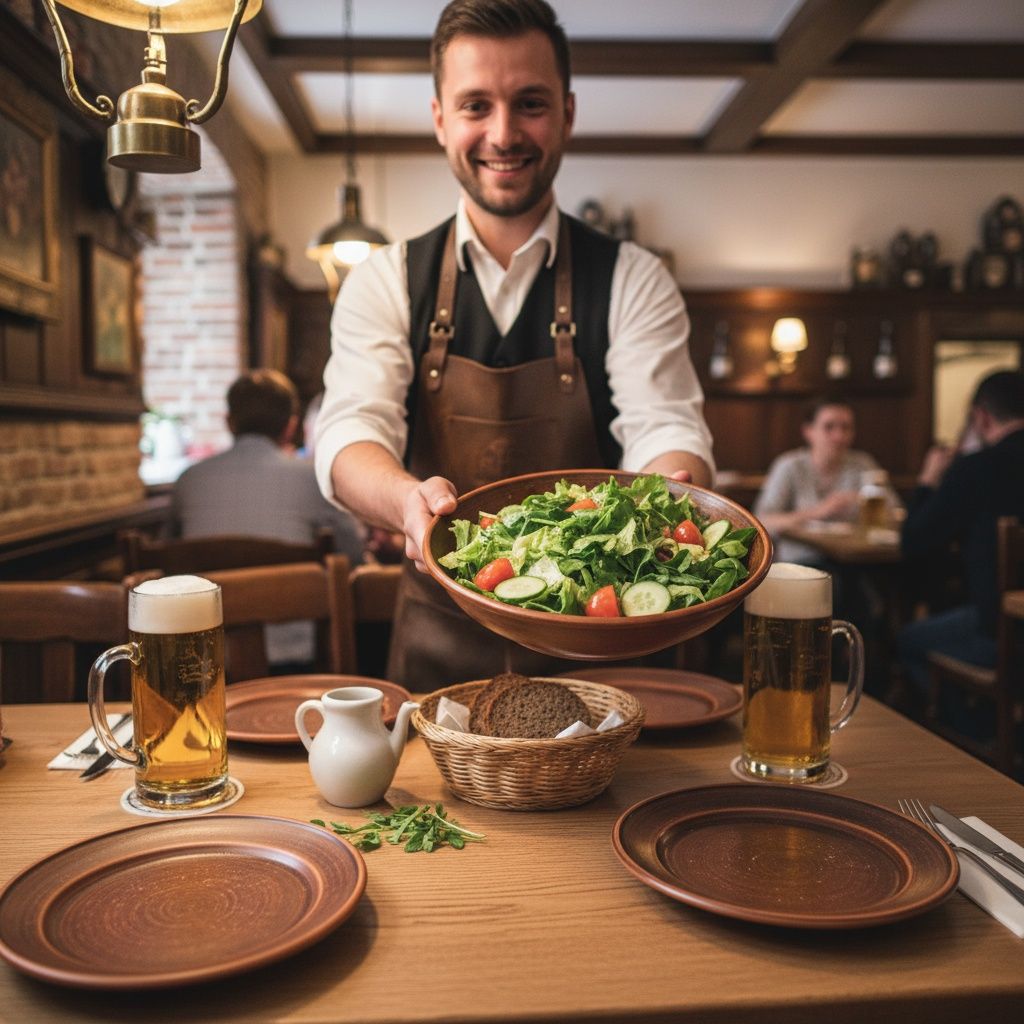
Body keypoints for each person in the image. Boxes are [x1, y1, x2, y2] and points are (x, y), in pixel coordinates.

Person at [314, 0, 713, 689]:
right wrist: (407, 500)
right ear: (440, 118)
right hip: (435, 659)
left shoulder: (633, 279)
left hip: (604, 655)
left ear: (567, 113)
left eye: (529, 103)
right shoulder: (384, 280)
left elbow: (666, 427)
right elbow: (349, 432)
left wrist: (667, 498)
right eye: (476, 106)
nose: (503, 133)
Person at [171, 369, 366, 667]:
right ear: (291, 427)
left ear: (229, 422)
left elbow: (167, 562)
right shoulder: (313, 479)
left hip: (200, 659)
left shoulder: (188, 481)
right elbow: (354, 555)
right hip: (300, 659)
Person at [898, 369, 1024, 696]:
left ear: (981, 417)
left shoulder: (978, 468)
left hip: (1002, 636)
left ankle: (970, 732)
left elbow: (913, 541)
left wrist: (928, 480)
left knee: (908, 639)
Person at [754, 398, 899, 566]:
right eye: (829, 427)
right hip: (801, 562)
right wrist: (818, 511)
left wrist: (863, 502)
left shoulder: (863, 464)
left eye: (846, 428)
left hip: (859, 560)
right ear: (808, 431)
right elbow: (762, 521)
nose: (839, 436)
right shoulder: (790, 466)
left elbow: (897, 512)